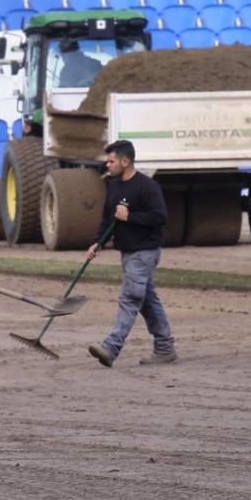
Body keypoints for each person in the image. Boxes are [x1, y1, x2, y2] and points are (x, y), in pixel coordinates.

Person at [85, 139, 176, 368]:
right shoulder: (114, 186)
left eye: (112, 161)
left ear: (125, 161)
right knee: (147, 301)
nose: (108, 165)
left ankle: (111, 347)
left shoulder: (147, 186)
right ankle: (165, 348)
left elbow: (160, 217)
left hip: (145, 252)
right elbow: (109, 219)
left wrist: (131, 217)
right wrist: (97, 243)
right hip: (127, 252)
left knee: (130, 298)